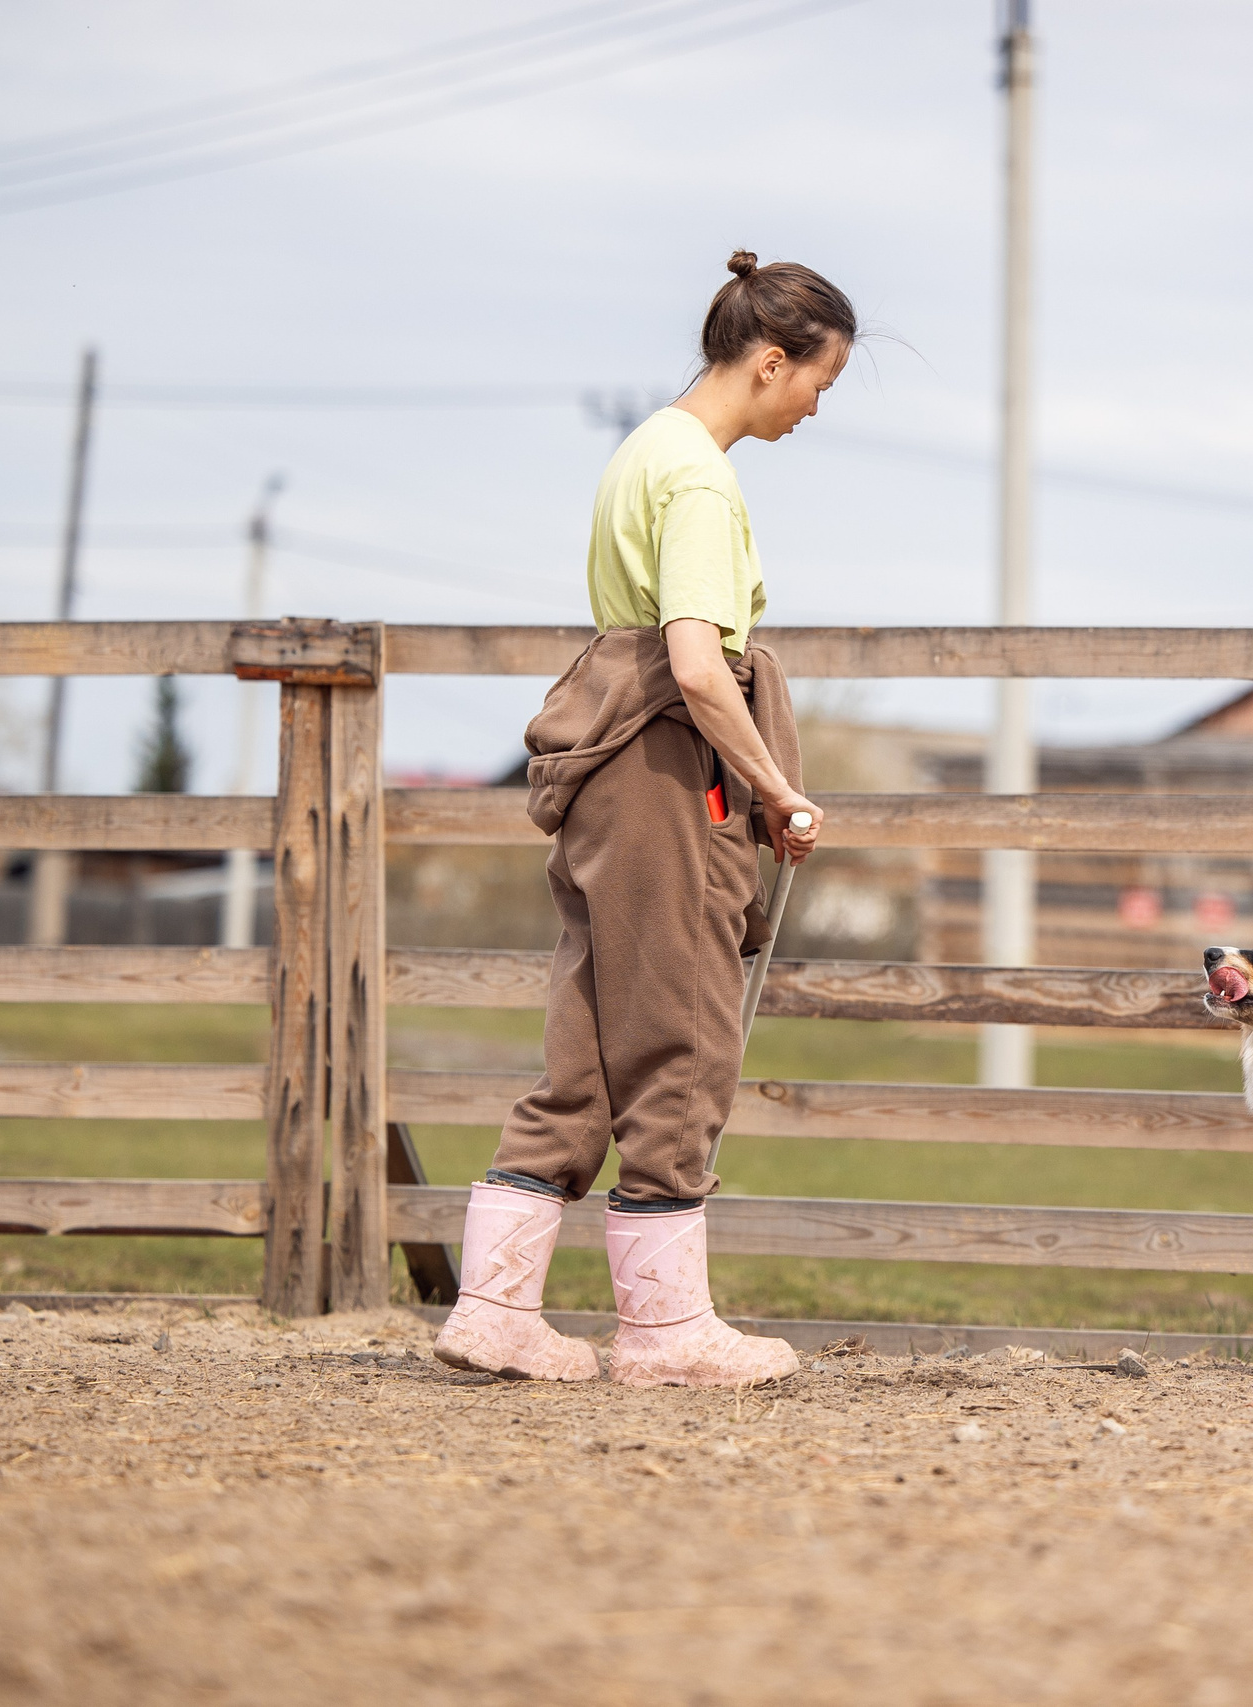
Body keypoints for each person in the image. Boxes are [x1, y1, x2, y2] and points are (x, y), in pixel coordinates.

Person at [434, 251, 850, 1386]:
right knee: (682, 1031)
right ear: (771, 362)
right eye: (820, 380)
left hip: (602, 773)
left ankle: (496, 1309)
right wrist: (775, 789)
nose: (819, 405)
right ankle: (666, 1335)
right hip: (665, 775)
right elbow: (698, 667)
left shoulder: (645, 452)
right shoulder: (704, 482)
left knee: (586, 1040)